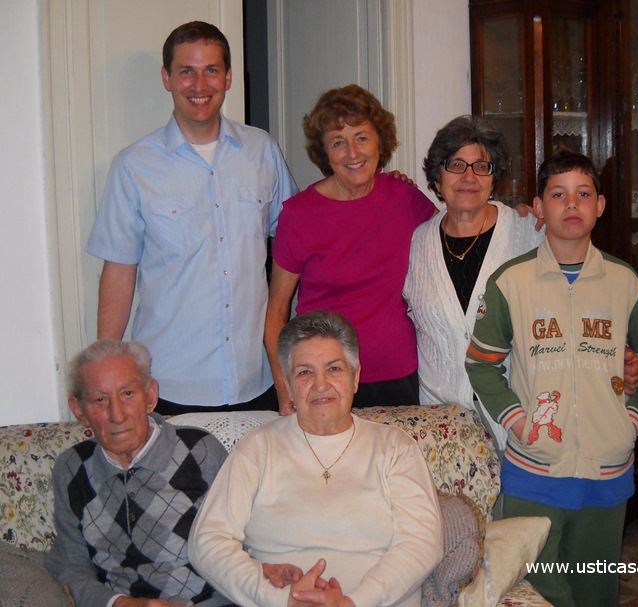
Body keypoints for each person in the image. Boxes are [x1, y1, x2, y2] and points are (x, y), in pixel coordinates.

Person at [464, 148, 638, 607]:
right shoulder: (509, 283)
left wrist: (629, 424)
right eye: (558, 195)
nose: (571, 205)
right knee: (537, 589)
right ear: (539, 208)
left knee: (596, 590)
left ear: (600, 205)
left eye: (583, 194)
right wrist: (519, 422)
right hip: (534, 472)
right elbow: (481, 363)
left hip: (607, 472)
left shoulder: (624, 283)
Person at [86, 21, 298, 414]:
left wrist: (360, 186)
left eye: (211, 70)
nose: (200, 85)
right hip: (169, 388)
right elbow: (118, 272)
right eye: (186, 71)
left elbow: (299, 235)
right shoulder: (134, 167)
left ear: (229, 76)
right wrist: (106, 376)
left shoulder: (261, 151)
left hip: (258, 382)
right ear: (167, 78)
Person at [404, 115, 638, 448]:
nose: (469, 177)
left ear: (493, 179)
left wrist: (618, 352)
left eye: (481, 167)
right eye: (456, 164)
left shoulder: (527, 233)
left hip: (517, 419)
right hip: (439, 427)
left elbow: (583, 295)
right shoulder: (416, 244)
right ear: (437, 175)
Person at [189, 310, 444, 607]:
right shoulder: (258, 448)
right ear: (287, 384)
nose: (321, 385)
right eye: (305, 372)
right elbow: (207, 542)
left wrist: (353, 602)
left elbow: (421, 544)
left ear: (355, 376)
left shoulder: (395, 448)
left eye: (334, 369)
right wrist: (280, 599)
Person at [265, 84, 437, 413]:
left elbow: (458, 237)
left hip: (396, 373)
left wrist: (518, 220)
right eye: (338, 142)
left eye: (361, 137)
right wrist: (284, 386)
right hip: (322, 380)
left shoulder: (404, 198)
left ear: (379, 142)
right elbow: (275, 313)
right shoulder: (299, 215)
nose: (353, 153)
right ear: (325, 153)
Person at [44, 339, 233, 607]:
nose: (117, 415)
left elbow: (243, 542)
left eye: (128, 394)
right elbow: (70, 566)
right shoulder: (72, 468)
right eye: (99, 400)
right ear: (80, 411)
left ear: (151, 396)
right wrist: (120, 603)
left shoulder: (199, 450)